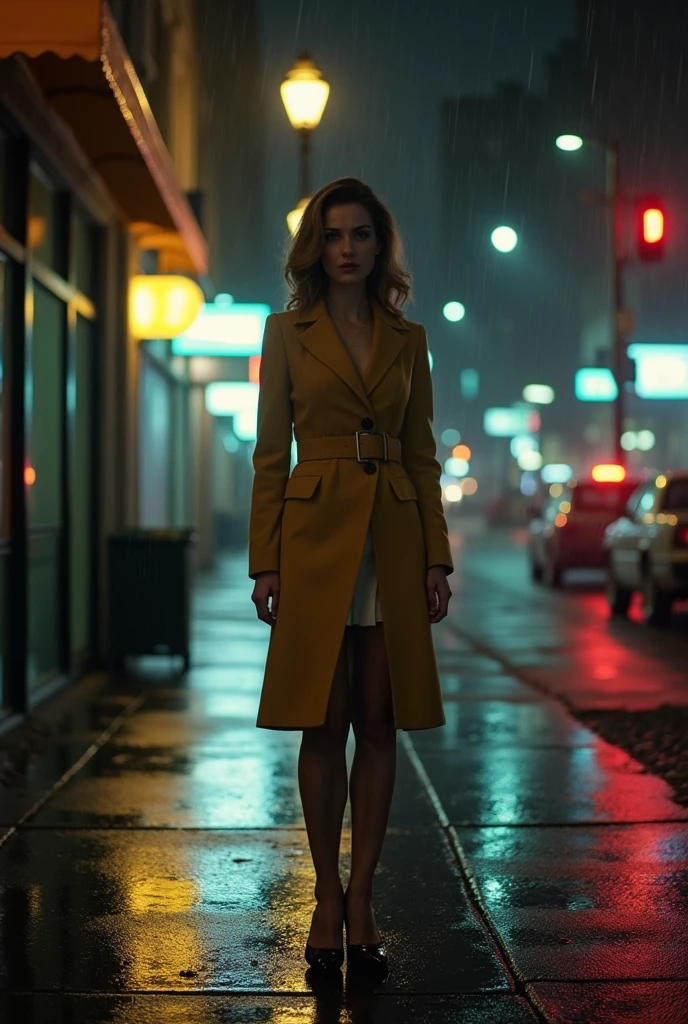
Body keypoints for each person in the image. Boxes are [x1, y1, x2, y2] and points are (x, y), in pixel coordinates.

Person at [248, 177, 453, 976]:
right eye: (333, 235)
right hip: (315, 535)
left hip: (394, 536)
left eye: (360, 234)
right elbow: (270, 456)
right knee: (320, 720)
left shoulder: (409, 338)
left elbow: (424, 454)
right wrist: (265, 559)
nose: (346, 249)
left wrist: (436, 554)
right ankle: (325, 898)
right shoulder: (286, 331)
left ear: (379, 246)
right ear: (315, 248)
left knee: (379, 717)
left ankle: (363, 895)